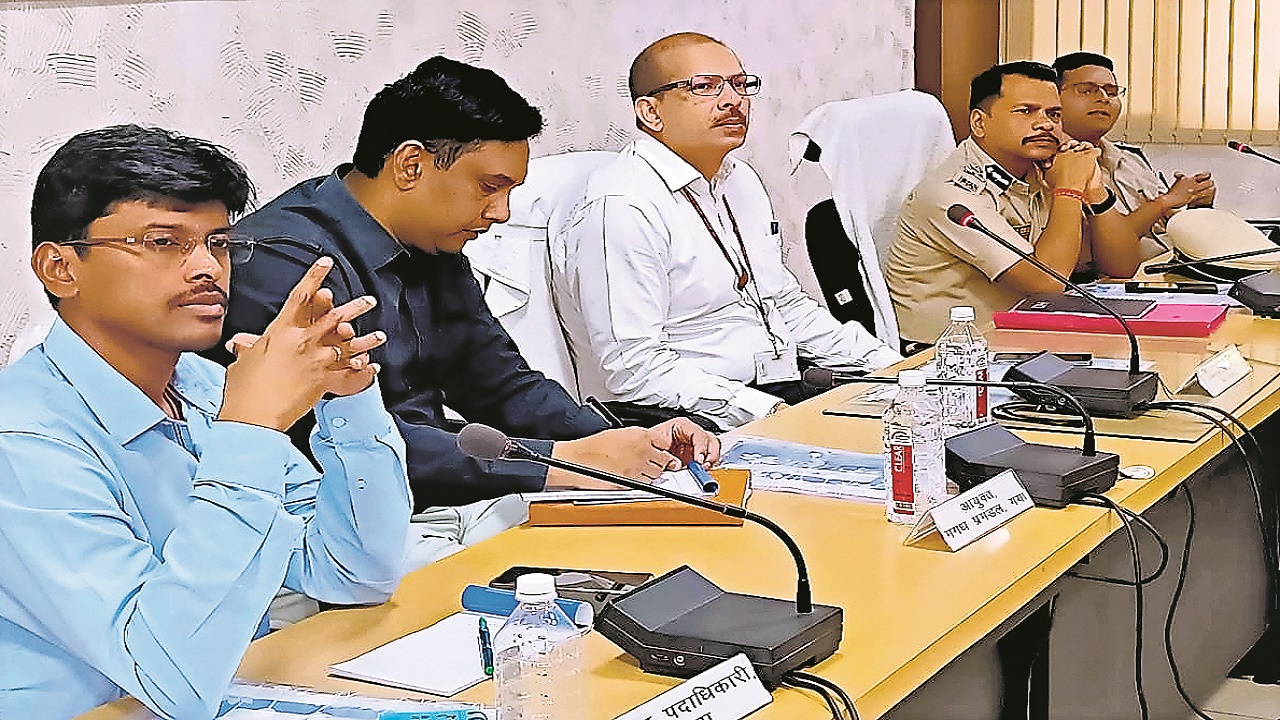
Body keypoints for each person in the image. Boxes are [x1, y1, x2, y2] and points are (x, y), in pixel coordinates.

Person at [220, 56, 718, 568]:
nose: (502, 212)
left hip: (446, 502)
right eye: (489, 187)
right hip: (343, 531)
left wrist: (618, 443)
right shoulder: (287, 264)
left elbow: (500, 384)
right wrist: (563, 461)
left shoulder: (433, 242)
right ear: (411, 165)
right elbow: (332, 440)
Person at [0, 125, 411, 720]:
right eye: (163, 242)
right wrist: (252, 429)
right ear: (60, 268)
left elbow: (353, 572)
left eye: (218, 243)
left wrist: (348, 397)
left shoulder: (202, 384)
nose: (206, 268)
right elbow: (169, 678)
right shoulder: (22, 443)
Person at [551, 33, 901, 431]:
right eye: (704, 87)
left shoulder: (741, 180)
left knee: (919, 430)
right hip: (686, 419)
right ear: (650, 112)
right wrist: (768, 412)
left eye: (739, 84)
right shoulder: (622, 206)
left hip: (776, 390)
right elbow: (633, 368)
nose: (732, 100)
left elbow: (784, 304)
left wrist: (892, 367)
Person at [887, 61, 1143, 347]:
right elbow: (1046, 283)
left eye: (1054, 114)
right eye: (1025, 111)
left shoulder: (1042, 169)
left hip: (1023, 335)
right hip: (946, 353)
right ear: (979, 123)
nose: (1045, 124)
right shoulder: (951, 195)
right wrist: (1069, 188)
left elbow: (1123, 267)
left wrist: (1094, 190)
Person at [1054, 51, 1215, 255]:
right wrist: (1164, 202)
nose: (1103, 99)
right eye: (1087, 91)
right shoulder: (1053, 166)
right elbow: (1099, 250)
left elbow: (1174, 225)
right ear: (1054, 98)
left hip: (1178, 265)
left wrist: (1197, 204)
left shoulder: (1131, 159)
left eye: (1111, 92)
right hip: (1126, 273)